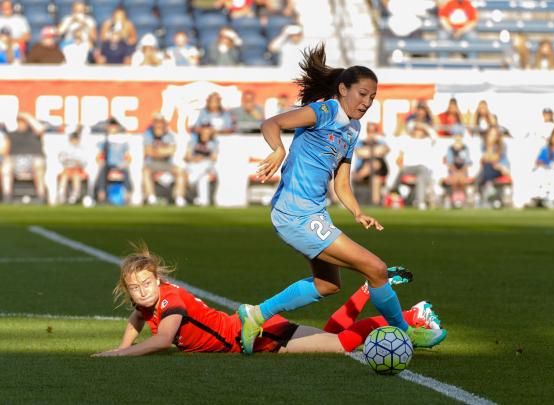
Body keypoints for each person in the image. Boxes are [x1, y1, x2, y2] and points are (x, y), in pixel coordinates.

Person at [237, 44, 447, 355]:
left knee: (326, 285)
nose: (367, 102)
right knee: (376, 268)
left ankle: (255, 315)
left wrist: (358, 212)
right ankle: (406, 334)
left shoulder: (353, 128)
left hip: (313, 214)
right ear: (343, 89)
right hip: (296, 214)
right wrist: (278, 150)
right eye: (362, 94)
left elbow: (342, 183)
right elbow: (272, 123)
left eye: (372, 98)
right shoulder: (325, 111)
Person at [93, 246, 442, 356]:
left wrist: (121, 354)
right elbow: (137, 318)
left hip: (254, 337)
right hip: (256, 328)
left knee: (340, 345)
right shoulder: (147, 303)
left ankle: (411, 318)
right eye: (134, 288)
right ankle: (369, 288)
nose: (141, 292)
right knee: (330, 335)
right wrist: (124, 341)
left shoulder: (170, 299)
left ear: (158, 279)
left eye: (145, 284)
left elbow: (164, 339)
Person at [142, 114, 186, 207]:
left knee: (180, 172)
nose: (159, 126)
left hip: (167, 163)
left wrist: (157, 151)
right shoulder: (148, 133)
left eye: (161, 123)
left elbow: (172, 150)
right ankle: (151, 197)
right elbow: (149, 152)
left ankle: (179, 197)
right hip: (152, 163)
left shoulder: (169, 135)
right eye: (157, 123)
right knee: (145, 171)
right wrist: (163, 151)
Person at [1, 112, 46, 202]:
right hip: (15, 160)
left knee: (38, 164)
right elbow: (4, 151)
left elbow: (41, 128)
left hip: (33, 160)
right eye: (20, 122)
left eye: (24, 122)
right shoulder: (11, 135)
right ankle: (7, 196)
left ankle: (41, 196)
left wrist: (26, 116)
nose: (22, 124)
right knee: (6, 167)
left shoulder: (35, 134)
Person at [95, 118, 132, 204]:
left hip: (120, 165)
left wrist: (125, 163)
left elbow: (128, 156)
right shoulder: (105, 140)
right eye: (111, 127)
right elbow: (100, 155)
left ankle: (127, 195)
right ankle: (101, 195)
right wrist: (101, 161)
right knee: (102, 171)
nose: (113, 129)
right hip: (108, 164)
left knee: (126, 171)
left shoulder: (123, 141)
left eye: (114, 127)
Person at [352, 122, 389, 206]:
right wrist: (375, 151)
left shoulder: (381, 141)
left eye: (373, 131)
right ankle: (375, 202)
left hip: (379, 168)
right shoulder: (360, 142)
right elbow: (359, 153)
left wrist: (368, 151)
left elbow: (384, 150)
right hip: (365, 168)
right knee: (375, 174)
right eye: (369, 131)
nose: (371, 134)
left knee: (375, 162)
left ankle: (359, 176)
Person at [185, 123, 219, 206]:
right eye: (204, 131)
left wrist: (202, 158)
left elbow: (214, 158)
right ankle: (203, 201)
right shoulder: (194, 141)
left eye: (208, 131)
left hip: (207, 166)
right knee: (203, 178)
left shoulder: (213, 142)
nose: (206, 134)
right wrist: (195, 159)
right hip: (194, 165)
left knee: (205, 166)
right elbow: (187, 157)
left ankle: (192, 182)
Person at [478, 126, 509, 206]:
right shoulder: (483, 145)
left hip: (499, 169)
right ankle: (489, 192)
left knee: (487, 166)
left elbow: (494, 159)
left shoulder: (501, 146)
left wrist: (489, 156)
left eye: (494, 135)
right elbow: (484, 159)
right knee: (487, 167)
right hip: (487, 170)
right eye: (491, 134)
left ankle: (487, 193)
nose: (492, 137)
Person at [58, 127, 88, 205]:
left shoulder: (81, 149)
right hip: (67, 168)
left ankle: (75, 194)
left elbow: (84, 161)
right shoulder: (65, 149)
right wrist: (68, 161)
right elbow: (61, 158)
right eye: (73, 139)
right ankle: (61, 194)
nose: (74, 141)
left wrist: (77, 162)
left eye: (76, 139)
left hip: (78, 169)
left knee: (76, 175)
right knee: (64, 175)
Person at [445, 131, 471, 207]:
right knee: (454, 180)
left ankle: (464, 200)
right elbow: (450, 162)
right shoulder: (450, 148)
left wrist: (462, 172)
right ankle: (453, 200)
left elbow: (466, 162)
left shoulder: (465, 148)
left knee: (462, 180)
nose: (458, 138)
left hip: (463, 171)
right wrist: (455, 172)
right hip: (453, 171)